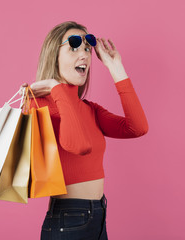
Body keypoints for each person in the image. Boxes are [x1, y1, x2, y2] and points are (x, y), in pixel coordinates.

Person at [19, 21, 148, 240]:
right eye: (74, 46)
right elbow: (78, 146)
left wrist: (116, 68)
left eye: (87, 48)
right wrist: (54, 88)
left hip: (98, 215)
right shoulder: (38, 105)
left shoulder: (90, 109)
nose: (85, 54)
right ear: (54, 55)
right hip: (68, 220)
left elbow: (137, 128)